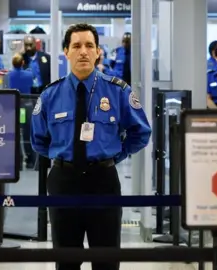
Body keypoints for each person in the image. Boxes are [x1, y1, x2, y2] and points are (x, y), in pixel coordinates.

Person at [31, 23, 152, 270]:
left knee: (106, 259)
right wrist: (65, 158)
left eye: (89, 46)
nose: (83, 51)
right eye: (76, 46)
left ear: (99, 52)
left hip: (103, 180)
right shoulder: (49, 95)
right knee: (66, 261)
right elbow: (38, 140)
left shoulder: (118, 91)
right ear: (66, 52)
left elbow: (141, 131)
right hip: (63, 181)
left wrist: (115, 156)